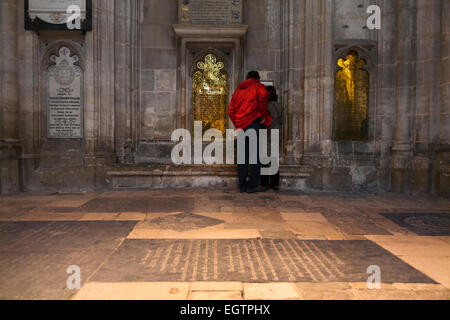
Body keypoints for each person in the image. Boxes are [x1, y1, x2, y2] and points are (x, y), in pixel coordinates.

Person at [228, 71, 272, 193]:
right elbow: (263, 97)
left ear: (247, 78)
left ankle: (242, 186)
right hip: (254, 124)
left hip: (241, 127)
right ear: (257, 79)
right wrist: (263, 115)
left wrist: (237, 123)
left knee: (242, 157)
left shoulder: (238, 91)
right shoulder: (258, 86)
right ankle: (251, 186)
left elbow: (231, 110)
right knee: (254, 156)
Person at [260, 86, 282, 191]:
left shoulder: (267, 106)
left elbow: (265, 121)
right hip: (276, 134)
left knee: (264, 159)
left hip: (268, 135)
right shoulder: (279, 105)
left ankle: (264, 183)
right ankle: (275, 183)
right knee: (274, 159)